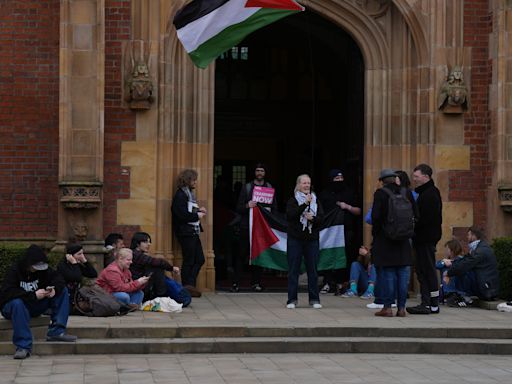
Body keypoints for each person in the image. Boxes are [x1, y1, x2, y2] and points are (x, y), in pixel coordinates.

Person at [0, 245, 77, 359]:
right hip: (15, 307)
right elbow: (7, 293)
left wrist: (54, 289)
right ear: (28, 263)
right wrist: (33, 295)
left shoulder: (44, 271)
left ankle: (56, 331)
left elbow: (59, 279)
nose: (37, 269)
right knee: (17, 303)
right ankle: (23, 346)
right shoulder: (15, 270)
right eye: (35, 266)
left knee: (62, 291)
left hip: (35, 305)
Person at [371, 169, 417, 317]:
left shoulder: (381, 194)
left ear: (382, 181)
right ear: (395, 179)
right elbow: (416, 215)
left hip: (386, 240)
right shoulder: (407, 193)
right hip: (404, 241)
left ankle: (388, 308)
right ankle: (402, 308)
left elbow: (376, 218)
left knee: (388, 274)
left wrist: (377, 235)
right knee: (403, 275)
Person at [234, 163, 278, 292]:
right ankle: (236, 283)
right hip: (246, 227)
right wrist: (247, 205)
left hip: (261, 229)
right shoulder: (247, 188)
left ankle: (256, 283)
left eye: (262, 171)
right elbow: (238, 207)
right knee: (241, 256)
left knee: (259, 256)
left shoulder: (269, 188)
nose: (259, 173)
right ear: (254, 172)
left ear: (265, 173)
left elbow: (274, 209)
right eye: (257, 170)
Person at [407, 164, 443, 315]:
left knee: (426, 270)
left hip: (425, 239)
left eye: (416, 176)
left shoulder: (429, 194)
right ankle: (429, 303)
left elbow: (426, 220)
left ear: (426, 177)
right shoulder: (427, 193)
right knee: (423, 270)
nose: (414, 179)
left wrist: (412, 223)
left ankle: (430, 304)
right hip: (424, 238)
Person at [318, 169, 361, 295]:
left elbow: (358, 211)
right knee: (328, 255)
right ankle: (327, 282)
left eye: (341, 178)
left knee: (344, 256)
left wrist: (347, 207)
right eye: (336, 179)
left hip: (346, 230)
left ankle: (342, 282)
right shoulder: (325, 194)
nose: (339, 181)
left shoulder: (349, 192)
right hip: (328, 232)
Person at [285, 174, 324, 309]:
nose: (307, 185)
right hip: (295, 239)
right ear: (298, 185)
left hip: (311, 240)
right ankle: (292, 300)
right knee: (293, 270)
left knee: (312, 270)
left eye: (308, 183)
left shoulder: (316, 201)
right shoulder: (293, 200)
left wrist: (313, 218)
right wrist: (304, 205)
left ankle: (314, 299)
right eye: (304, 183)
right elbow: (291, 215)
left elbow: (322, 219)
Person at [171, 169, 206, 296]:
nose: (196, 182)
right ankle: (188, 287)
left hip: (192, 231)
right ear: (187, 180)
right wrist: (197, 215)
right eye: (194, 180)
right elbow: (181, 214)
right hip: (185, 232)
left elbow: (189, 210)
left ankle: (190, 285)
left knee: (200, 259)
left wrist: (198, 210)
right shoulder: (180, 195)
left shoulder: (189, 194)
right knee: (189, 260)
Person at [443, 226, 499, 304]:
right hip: (486, 287)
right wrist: (451, 264)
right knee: (454, 267)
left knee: (459, 270)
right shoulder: (479, 248)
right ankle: (453, 293)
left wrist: (448, 273)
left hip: (486, 290)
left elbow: (466, 264)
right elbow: (465, 260)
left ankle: (457, 294)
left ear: (474, 236)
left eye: (468, 235)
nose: (467, 237)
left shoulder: (481, 250)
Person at [129, 231, 184, 299]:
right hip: (136, 285)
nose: (149, 244)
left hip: (140, 284)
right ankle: (161, 296)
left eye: (149, 242)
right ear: (137, 243)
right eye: (145, 242)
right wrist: (172, 268)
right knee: (157, 268)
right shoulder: (136, 255)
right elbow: (158, 262)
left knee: (157, 268)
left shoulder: (135, 253)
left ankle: (162, 295)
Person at [57, 242, 98, 312]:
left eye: (82, 253)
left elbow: (93, 274)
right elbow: (77, 278)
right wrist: (74, 264)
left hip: (76, 297)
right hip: (66, 297)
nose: (82, 256)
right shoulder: (62, 266)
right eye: (79, 254)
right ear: (70, 255)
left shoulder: (77, 265)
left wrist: (85, 261)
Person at [436, 239, 464, 304]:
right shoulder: (446, 260)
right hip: (445, 287)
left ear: (452, 250)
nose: (446, 251)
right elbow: (436, 265)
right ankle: (447, 294)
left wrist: (452, 263)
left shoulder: (461, 260)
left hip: (458, 288)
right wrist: (443, 262)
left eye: (447, 249)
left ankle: (454, 294)